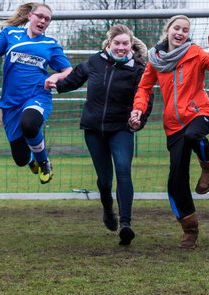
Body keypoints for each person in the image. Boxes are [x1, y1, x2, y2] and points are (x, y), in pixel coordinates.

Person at [130, 15, 209, 249]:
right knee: (176, 180)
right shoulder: (155, 59)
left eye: (185, 30)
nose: (181, 32)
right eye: (177, 28)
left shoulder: (195, 52)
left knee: (193, 135)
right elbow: (144, 89)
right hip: (173, 125)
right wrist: (137, 110)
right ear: (168, 30)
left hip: (199, 113)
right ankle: (189, 229)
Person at [46, 24, 148, 246]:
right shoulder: (94, 62)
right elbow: (72, 80)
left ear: (131, 44)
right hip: (94, 130)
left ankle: (126, 224)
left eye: (125, 43)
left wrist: (138, 119)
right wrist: (54, 82)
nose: (121, 48)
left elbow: (144, 98)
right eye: (117, 43)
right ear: (109, 43)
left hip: (121, 129)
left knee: (123, 171)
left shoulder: (138, 69)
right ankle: (108, 209)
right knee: (104, 180)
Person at [0, 2, 71, 184]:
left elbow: (69, 71)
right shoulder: (10, 34)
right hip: (11, 103)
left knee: (30, 124)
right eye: (40, 16)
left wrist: (56, 77)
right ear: (30, 15)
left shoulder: (50, 44)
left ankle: (44, 161)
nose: (43, 21)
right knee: (21, 159)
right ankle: (32, 160)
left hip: (38, 96)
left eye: (47, 19)